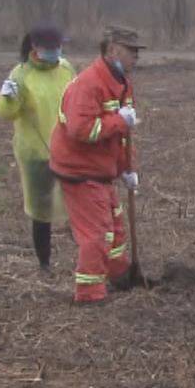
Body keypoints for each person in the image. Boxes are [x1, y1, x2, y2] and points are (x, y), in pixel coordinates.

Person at [47, 25, 144, 304]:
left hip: (101, 170)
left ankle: (120, 275)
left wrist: (127, 169)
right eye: (131, 51)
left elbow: (122, 136)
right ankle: (90, 294)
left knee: (114, 226)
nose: (135, 57)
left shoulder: (121, 82)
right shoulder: (89, 84)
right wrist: (119, 121)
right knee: (97, 233)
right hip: (80, 171)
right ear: (112, 50)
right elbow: (82, 130)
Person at [0, 24, 76, 272]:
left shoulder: (66, 68)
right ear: (35, 48)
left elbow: (77, 99)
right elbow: (5, 113)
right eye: (50, 48)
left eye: (58, 47)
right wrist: (8, 97)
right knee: (41, 211)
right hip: (35, 153)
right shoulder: (20, 74)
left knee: (78, 203)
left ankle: (89, 257)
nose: (55, 51)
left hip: (68, 149)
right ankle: (44, 263)